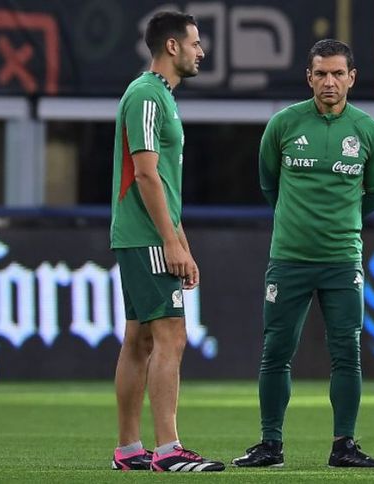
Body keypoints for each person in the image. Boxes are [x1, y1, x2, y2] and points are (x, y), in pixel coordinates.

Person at [231, 39, 374, 469]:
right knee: (276, 351)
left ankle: (344, 446)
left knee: (347, 353)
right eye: (321, 74)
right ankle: (270, 445)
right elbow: (269, 184)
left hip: (342, 260)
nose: (329, 82)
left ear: (352, 78)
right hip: (289, 258)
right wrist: (297, 222)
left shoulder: (369, 132)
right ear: (309, 77)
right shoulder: (283, 125)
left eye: (338, 74)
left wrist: (342, 223)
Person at [109, 11, 224, 472]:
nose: (201, 52)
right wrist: (169, 244)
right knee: (171, 336)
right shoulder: (147, 95)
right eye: (195, 43)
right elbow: (145, 175)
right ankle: (169, 449)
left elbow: (164, 185)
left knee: (138, 339)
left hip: (144, 235)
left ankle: (128, 449)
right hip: (146, 236)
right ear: (172, 46)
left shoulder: (159, 97)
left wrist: (182, 242)